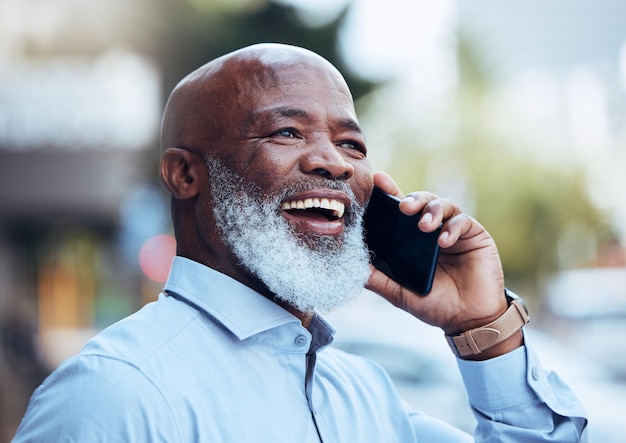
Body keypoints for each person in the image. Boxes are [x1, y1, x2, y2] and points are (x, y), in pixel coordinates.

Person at [13, 43, 588, 442]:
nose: (333, 163)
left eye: (352, 145)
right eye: (287, 132)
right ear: (186, 175)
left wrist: (481, 328)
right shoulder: (116, 394)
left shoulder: (366, 398)